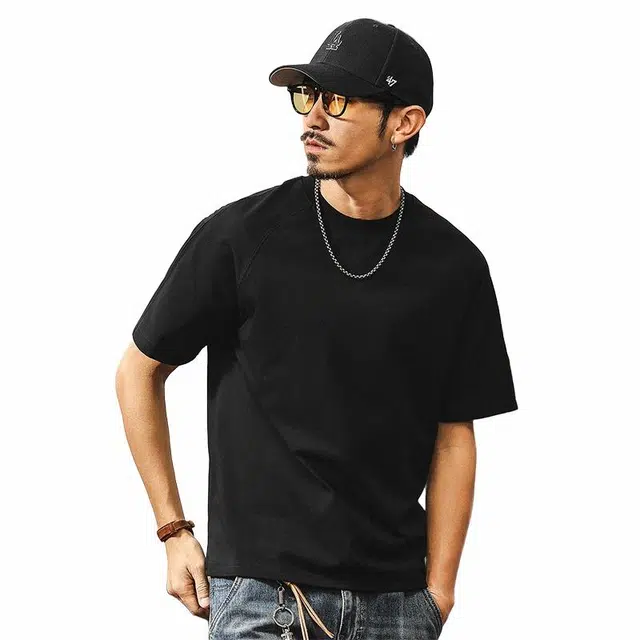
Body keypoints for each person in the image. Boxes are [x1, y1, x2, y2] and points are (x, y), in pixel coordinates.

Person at [115, 17, 518, 640]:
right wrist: (173, 530)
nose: (313, 119)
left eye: (339, 101)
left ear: (404, 123)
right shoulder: (241, 236)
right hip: (264, 598)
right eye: (307, 97)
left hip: (396, 604)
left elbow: (453, 435)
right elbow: (139, 371)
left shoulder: (454, 265)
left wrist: (438, 593)